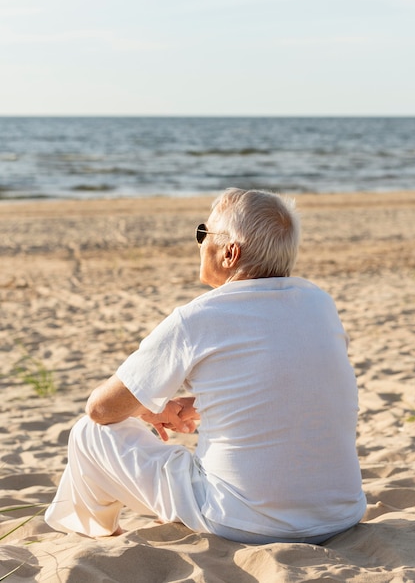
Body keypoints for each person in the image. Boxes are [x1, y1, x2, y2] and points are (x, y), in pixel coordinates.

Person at [45, 188, 366, 544]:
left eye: (204, 233)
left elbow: (101, 409)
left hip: (245, 520)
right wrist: (197, 404)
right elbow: (300, 385)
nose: (200, 243)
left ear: (230, 253)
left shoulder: (198, 317)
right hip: (340, 514)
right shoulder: (319, 304)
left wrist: (146, 410)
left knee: (89, 433)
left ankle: (101, 537)